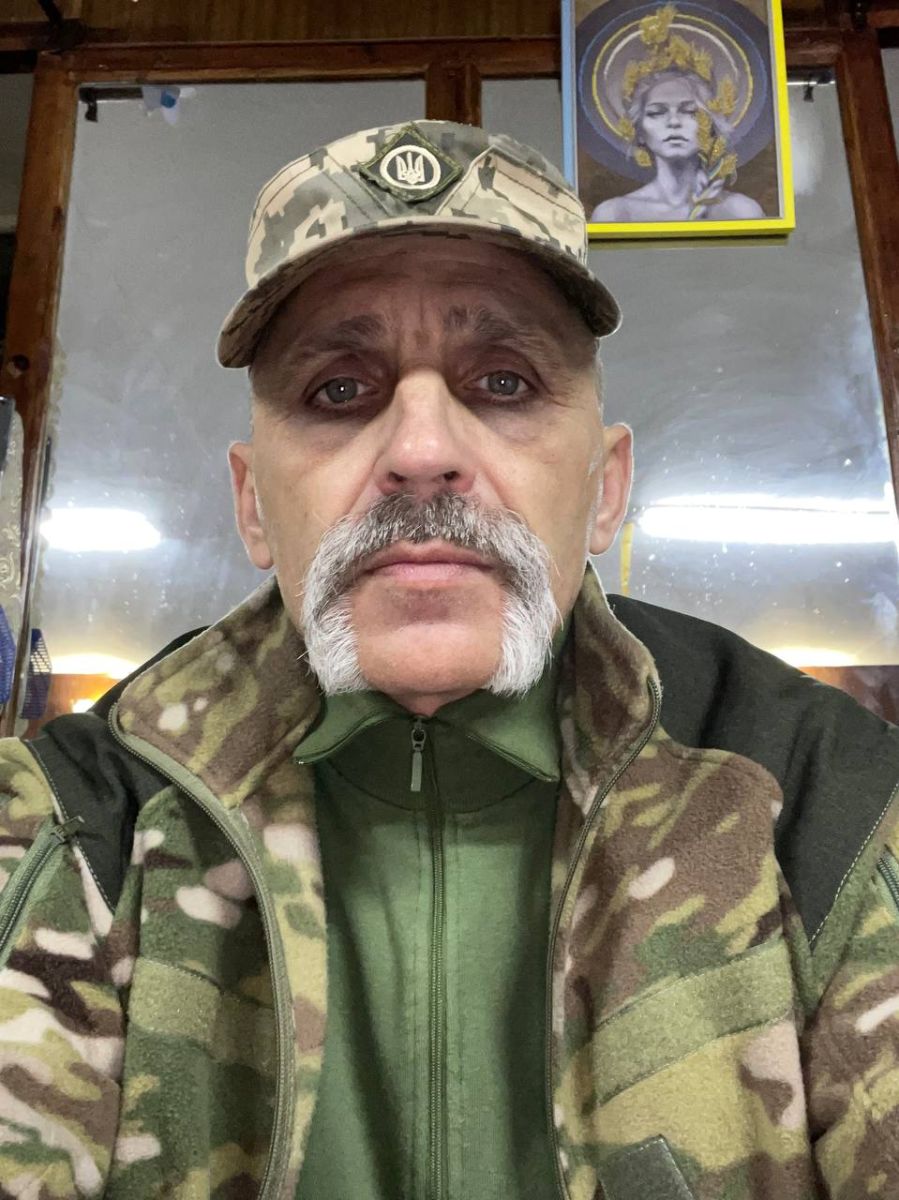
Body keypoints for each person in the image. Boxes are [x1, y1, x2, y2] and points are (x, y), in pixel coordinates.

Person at [0, 120, 897, 1200]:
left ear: (606, 490)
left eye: (503, 382)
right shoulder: (71, 831)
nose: (421, 452)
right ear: (251, 504)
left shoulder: (828, 807)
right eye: (340, 390)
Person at [591, 69, 765, 223]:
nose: (674, 122)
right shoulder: (614, 214)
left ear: (710, 126)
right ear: (639, 131)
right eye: (656, 112)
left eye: (689, 111)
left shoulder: (742, 211)